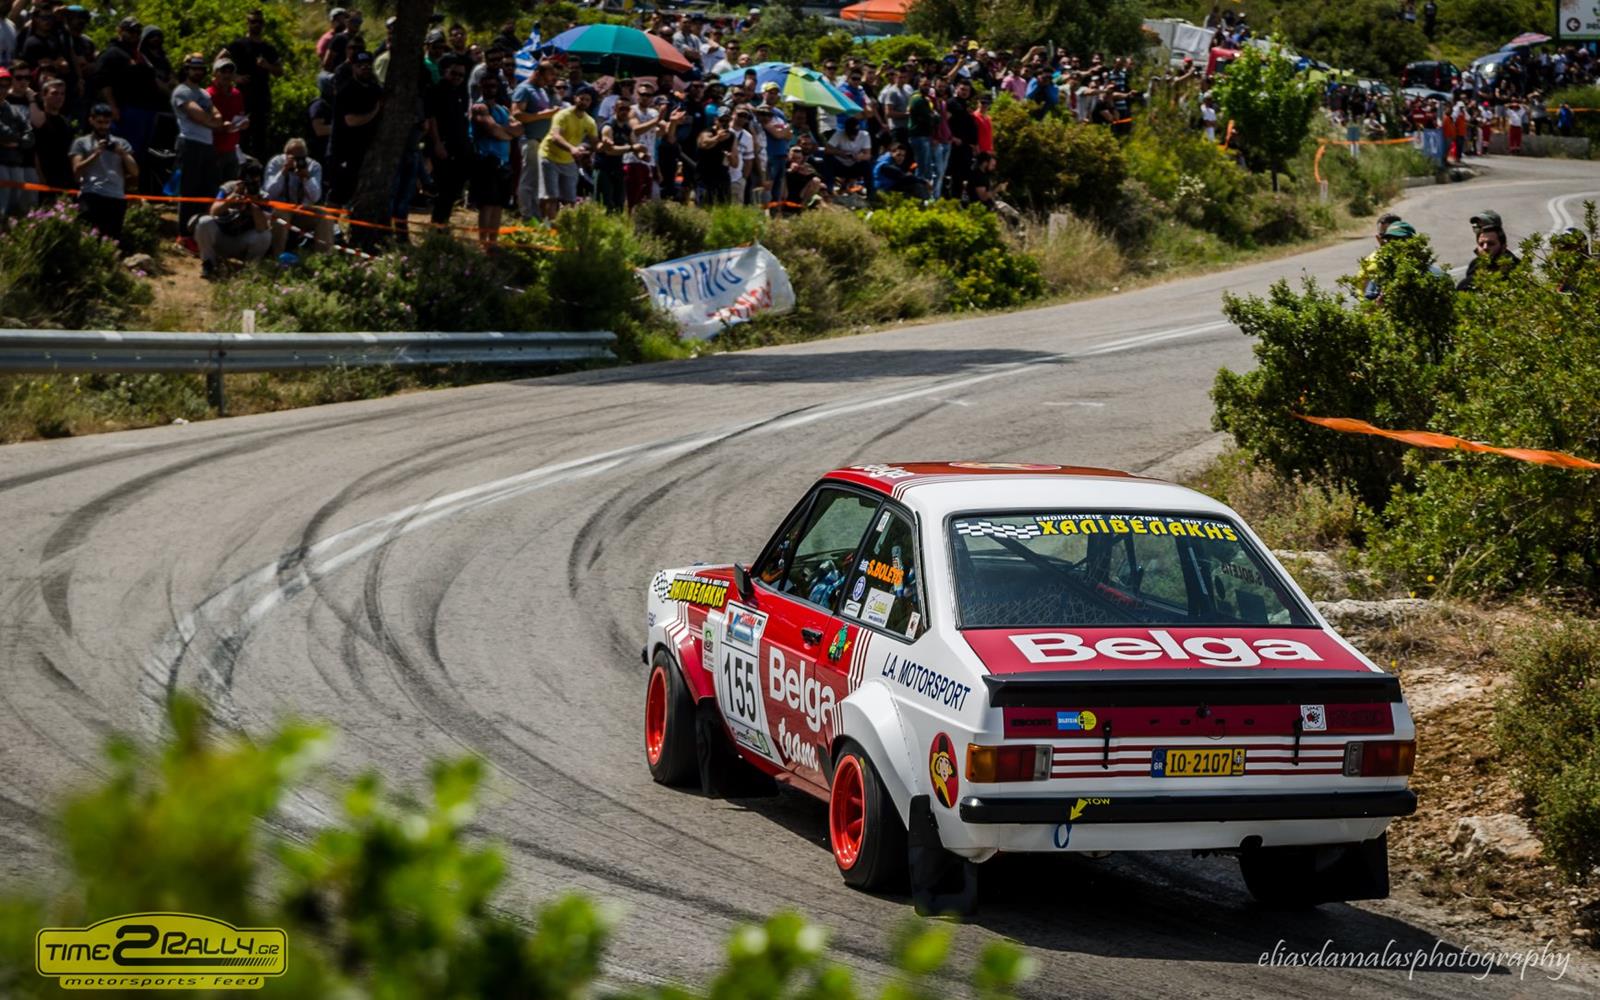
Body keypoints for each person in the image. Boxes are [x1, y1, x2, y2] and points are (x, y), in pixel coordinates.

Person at [172, 53, 233, 234]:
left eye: (201, 69)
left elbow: (217, 116)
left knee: (208, 189)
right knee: (189, 190)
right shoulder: (182, 91)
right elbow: (199, 116)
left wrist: (212, 121)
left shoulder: (204, 93)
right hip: (189, 143)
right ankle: (184, 234)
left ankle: (199, 232)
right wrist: (212, 121)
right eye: (194, 69)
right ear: (187, 70)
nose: (198, 72)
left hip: (207, 144)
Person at [70, 103, 137, 248]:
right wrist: (95, 154)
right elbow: (76, 170)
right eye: (99, 122)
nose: (103, 126)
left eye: (107, 122)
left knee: (111, 244)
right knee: (87, 241)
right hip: (91, 194)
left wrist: (123, 154)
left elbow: (135, 171)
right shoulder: (81, 142)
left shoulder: (121, 143)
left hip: (116, 197)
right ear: (91, 120)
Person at [195, 158, 270, 277]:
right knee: (204, 222)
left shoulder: (263, 196)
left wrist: (253, 204)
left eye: (255, 182)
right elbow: (213, 211)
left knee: (265, 235)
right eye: (248, 182)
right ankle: (208, 263)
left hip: (242, 242)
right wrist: (229, 201)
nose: (251, 185)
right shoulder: (228, 188)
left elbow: (262, 227)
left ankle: (250, 269)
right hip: (222, 237)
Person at [468, 73, 519, 245]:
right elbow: (492, 130)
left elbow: (519, 129)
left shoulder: (503, 109)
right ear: (481, 87)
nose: (491, 89)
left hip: (504, 163)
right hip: (487, 161)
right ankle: (483, 242)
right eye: (487, 86)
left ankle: (493, 242)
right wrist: (508, 133)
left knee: (499, 204)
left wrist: (504, 132)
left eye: (494, 86)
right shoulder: (479, 107)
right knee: (487, 204)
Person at [227, 9, 282, 162]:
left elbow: (279, 71)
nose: (256, 25)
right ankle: (238, 169)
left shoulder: (268, 48)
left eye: (259, 22)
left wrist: (267, 66)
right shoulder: (238, 45)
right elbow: (218, 62)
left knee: (260, 140)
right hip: (241, 98)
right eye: (253, 21)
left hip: (262, 98)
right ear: (247, 23)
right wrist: (235, 77)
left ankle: (258, 170)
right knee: (240, 137)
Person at [328, 49, 381, 205]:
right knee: (339, 194)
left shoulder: (374, 88)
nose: (365, 68)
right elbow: (351, 121)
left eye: (368, 65)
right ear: (353, 67)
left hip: (363, 151)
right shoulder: (347, 90)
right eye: (360, 65)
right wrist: (375, 111)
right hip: (343, 151)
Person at [424, 55, 471, 227]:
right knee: (443, 188)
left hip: (459, 145)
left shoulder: (461, 92)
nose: (457, 77)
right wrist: (437, 143)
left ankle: (443, 223)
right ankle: (437, 224)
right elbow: (432, 118)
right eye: (454, 73)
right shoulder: (437, 90)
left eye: (461, 75)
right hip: (442, 145)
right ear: (445, 72)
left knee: (454, 189)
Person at [263, 136, 331, 254]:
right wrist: (283, 171)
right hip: (280, 209)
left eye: (301, 157)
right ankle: (277, 255)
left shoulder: (313, 166)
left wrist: (306, 178)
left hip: (303, 210)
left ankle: (323, 255)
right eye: (294, 157)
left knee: (325, 215)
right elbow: (269, 193)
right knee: (281, 214)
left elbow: (315, 197)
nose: (297, 161)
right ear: (286, 155)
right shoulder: (276, 163)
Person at [538, 84, 596, 217]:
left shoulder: (590, 121)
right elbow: (555, 136)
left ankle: (565, 225)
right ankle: (546, 225)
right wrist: (572, 148)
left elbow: (595, 142)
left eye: (587, 100)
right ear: (575, 98)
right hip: (549, 156)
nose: (584, 102)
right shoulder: (563, 115)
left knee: (570, 199)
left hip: (568, 160)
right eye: (581, 98)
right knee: (551, 196)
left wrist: (595, 147)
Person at [511, 60, 557, 220]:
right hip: (529, 139)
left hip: (542, 142)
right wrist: (543, 115)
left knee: (538, 181)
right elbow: (517, 113)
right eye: (547, 76)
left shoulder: (542, 90)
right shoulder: (524, 89)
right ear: (537, 73)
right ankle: (526, 214)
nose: (549, 80)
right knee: (528, 179)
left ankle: (536, 215)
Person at [0, 65, 35, 218]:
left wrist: (18, 142)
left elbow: (30, 134)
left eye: (5, 86)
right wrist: (20, 139)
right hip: (1, 164)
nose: (2, 90)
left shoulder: (12, 109)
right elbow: (3, 132)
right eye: (0, 86)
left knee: (15, 211)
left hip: (15, 163)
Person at [207, 55, 247, 182]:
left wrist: (244, 123)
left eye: (230, 72)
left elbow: (240, 115)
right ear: (215, 73)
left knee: (230, 186)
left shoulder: (237, 94)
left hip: (232, 149)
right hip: (212, 150)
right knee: (212, 186)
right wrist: (221, 127)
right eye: (223, 71)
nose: (227, 75)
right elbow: (202, 122)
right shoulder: (207, 95)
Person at [30, 75, 72, 197]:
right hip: (44, 179)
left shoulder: (65, 123)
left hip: (65, 180)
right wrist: (40, 177)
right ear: (43, 96)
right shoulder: (39, 121)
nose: (59, 97)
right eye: (54, 93)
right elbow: (34, 151)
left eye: (62, 94)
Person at [1458, 211, 1518, 290]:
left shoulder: (1513, 267)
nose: (1485, 247)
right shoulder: (1474, 265)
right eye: (1477, 226)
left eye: (1491, 244)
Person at [823, 115, 871, 191]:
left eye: (855, 134)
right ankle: (829, 188)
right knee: (828, 158)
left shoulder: (865, 135)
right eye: (851, 134)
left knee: (866, 165)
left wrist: (860, 157)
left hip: (854, 165)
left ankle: (870, 192)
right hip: (840, 165)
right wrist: (839, 153)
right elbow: (827, 150)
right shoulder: (839, 134)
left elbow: (868, 155)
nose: (853, 137)